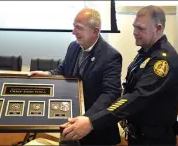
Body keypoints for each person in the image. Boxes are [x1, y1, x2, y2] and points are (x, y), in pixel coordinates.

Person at [61, 5, 178, 146]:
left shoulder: (162, 61)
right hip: (137, 136)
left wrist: (91, 122)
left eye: (141, 28)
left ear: (158, 28)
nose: (135, 32)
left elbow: (136, 98)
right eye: (134, 27)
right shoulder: (145, 53)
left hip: (154, 140)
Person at [29, 8, 122, 145]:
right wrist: (48, 75)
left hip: (97, 131)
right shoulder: (74, 47)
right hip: (70, 126)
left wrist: (87, 119)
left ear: (95, 31)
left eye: (78, 28)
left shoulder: (111, 56)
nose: (73, 32)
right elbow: (64, 69)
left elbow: (111, 93)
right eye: (74, 26)